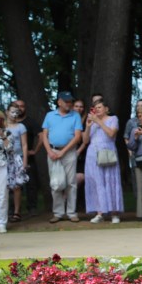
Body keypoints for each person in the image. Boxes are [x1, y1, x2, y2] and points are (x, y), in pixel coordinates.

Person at [42, 91, 83, 223]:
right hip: (53, 152)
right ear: (59, 102)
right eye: (66, 101)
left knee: (71, 183)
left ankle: (71, 212)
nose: (69, 104)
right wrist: (49, 151)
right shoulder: (49, 115)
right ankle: (58, 213)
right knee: (55, 183)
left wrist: (63, 152)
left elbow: (77, 137)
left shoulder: (75, 115)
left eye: (70, 101)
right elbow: (44, 135)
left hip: (69, 152)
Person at [84, 100, 123, 224]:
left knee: (110, 181)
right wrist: (88, 126)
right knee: (96, 183)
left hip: (107, 153)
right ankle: (99, 213)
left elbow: (111, 134)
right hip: (92, 154)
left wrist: (98, 121)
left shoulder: (113, 119)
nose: (97, 110)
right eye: (95, 108)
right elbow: (85, 141)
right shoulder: (93, 122)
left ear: (106, 109)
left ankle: (114, 213)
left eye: (99, 107)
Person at [12, 99, 41, 216]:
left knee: (31, 183)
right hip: (11, 157)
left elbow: (41, 135)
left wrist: (35, 150)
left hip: (27, 157)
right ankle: (13, 210)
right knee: (12, 184)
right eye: (17, 106)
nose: (19, 108)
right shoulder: (8, 123)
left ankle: (32, 208)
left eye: (22, 106)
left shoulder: (30, 122)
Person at [125, 101, 142, 220]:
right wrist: (135, 138)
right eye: (139, 116)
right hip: (139, 161)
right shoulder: (134, 129)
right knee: (141, 187)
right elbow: (130, 146)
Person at [4, 102, 29, 222]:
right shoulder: (3, 126)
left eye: (17, 112)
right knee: (3, 185)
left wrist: (24, 161)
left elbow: (24, 145)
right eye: (12, 111)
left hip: (17, 158)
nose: (14, 114)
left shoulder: (21, 127)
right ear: (7, 112)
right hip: (4, 159)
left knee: (17, 186)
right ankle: (0, 212)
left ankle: (17, 212)